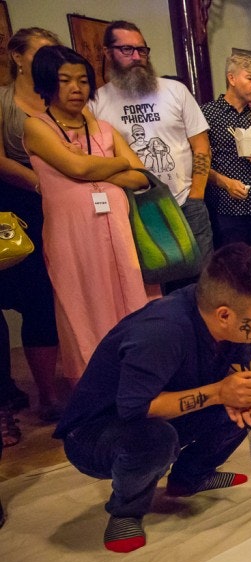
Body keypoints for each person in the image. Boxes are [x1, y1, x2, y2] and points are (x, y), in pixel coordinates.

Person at [55, 244, 251, 553]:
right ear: (225, 314)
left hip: (160, 409)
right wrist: (218, 392)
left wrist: (233, 393)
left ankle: (190, 478)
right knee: (154, 440)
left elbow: (231, 370)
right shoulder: (163, 331)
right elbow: (135, 408)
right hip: (96, 432)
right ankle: (126, 509)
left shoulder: (223, 318)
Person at [23, 45, 156, 384]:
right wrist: (116, 164)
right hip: (73, 237)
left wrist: (98, 168)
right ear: (47, 83)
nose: (75, 88)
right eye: (65, 80)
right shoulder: (38, 127)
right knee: (82, 305)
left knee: (129, 300)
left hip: (119, 232)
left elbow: (141, 177)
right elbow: (77, 166)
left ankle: (135, 379)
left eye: (82, 80)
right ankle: (92, 387)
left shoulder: (105, 129)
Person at [92, 20, 214, 271]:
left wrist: (196, 196)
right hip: (136, 210)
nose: (137, 57)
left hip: (187, 204)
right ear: (107, 53)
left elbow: (201, 146)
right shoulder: (96, 103)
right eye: (127, 50)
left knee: (202, 283)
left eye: (142, 50)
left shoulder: (176, 91)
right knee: (154, 288)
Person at [0, 27, 62, 431]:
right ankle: (21, 394)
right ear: (17, 56)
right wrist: (41, 180)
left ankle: (54, 391)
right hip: (13, 209)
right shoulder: (2, 101)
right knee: (16, 298)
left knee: (47, 301)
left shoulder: (57, 98)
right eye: (39, 53)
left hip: (58, 207)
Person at [201, 52, 251, 252]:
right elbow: (198, 165)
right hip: (225, 209)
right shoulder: (206, 115)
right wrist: (226, 183)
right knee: (232, 272)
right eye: (250, 78)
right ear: (232, 78)